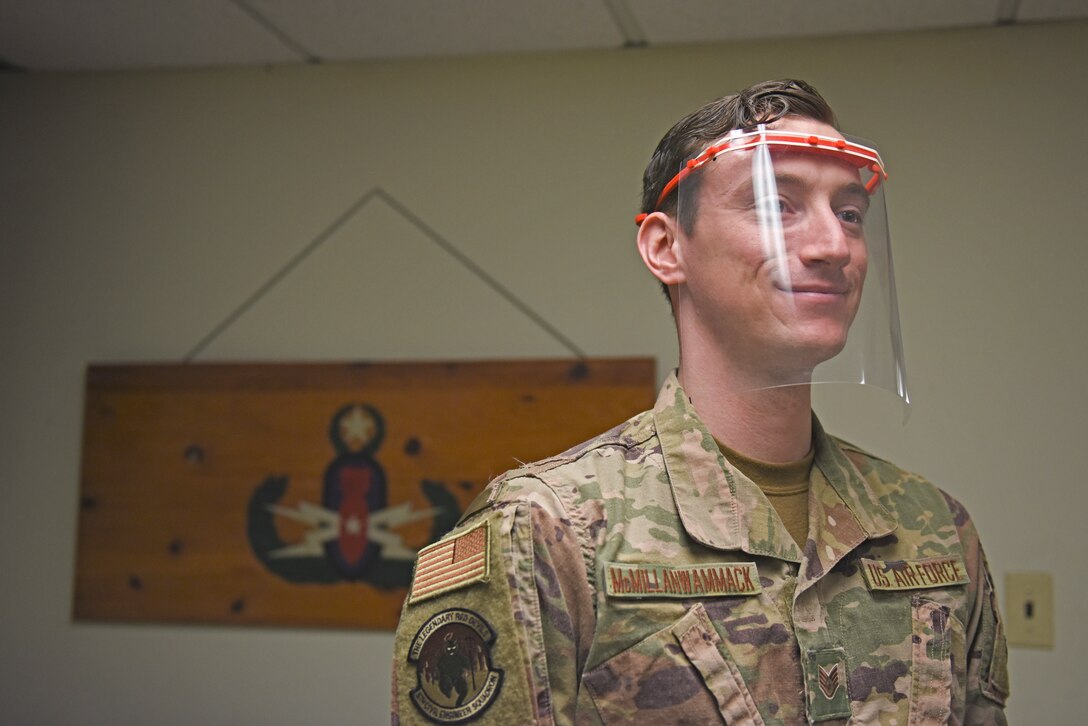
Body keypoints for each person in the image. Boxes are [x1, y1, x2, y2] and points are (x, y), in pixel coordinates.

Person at [391, 79, 1009, 725]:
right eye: (777, 204)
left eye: (850, 213)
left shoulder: (935, 531)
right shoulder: (547, 533)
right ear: (667, 247)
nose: (834, 246)